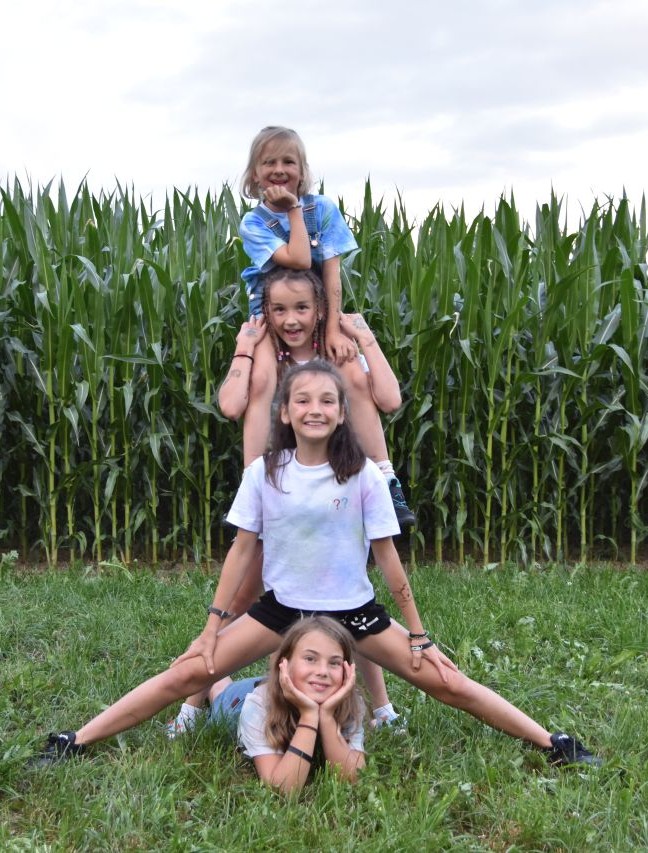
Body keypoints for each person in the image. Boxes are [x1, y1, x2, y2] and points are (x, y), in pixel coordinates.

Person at [35, 362, 601, 777]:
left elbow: (388, 558)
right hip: (282, 611)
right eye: (302, 400)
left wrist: (420, 633)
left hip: (353, 613)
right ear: (285, 411)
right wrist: (211, 628)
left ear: (341, 412)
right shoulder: (264, 473)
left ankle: (554, 743)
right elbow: (241, 552)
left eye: (328, 400)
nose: (315, 409)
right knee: (187, 673)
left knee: (448, 684)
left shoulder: (364, 476)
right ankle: (74, 741)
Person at [168, 267, 406, 736]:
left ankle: (382, 710)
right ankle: (191, 708)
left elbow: (386, 398)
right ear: (265, 311)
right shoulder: (263, 351)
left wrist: (361, 337)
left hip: (334, 493)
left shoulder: (337, 349)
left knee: (352, 598)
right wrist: (243, 346)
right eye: (278, 309)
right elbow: (232, 405)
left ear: (320, 310)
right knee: (240, 598)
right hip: (275, 493)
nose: (290, 319)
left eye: (302, 308)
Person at [236, 125, 414, 526]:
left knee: (352, 375)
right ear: (255, 174)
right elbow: (299, 260)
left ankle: (387, 480)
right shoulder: (254, 223)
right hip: (271, 318)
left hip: (319, 314)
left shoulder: (325, 210)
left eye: (288, 161)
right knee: (261, 383)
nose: (279, 169)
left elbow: (330, 275)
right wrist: (293, 210)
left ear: (302, 171)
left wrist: (333, 328)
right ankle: (252, 487)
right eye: (269, 162)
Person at [185, 616, 366, 792]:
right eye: (310, 659)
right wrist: (309, 715)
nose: (322, 671)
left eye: (334, 663)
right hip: (238, 701)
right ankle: (214, 677)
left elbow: (352, 779)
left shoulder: (350, 702)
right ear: (284, 663)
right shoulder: (259, 705)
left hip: (291, 683)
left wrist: (326, 716)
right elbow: (283, 788)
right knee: (219, 690)